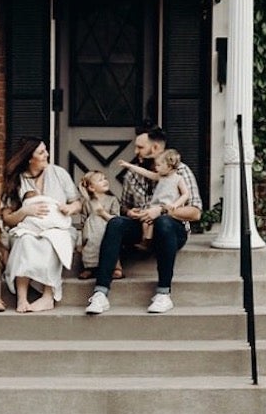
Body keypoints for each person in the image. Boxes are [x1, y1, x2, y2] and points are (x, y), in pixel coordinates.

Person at [86, 126, 201, 316]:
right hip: (142, 227)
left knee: (163, 222)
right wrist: (131, 213)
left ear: (155, 149)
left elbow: (195, 212)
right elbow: (124, 207)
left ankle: (163, 294)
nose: (135, 151)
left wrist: (162, 210)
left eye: (140, 147)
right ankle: (100, 293)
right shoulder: (133, 174)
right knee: (116, 223)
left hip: (171, 230)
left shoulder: (180, 172)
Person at [0, 137, 82, 313]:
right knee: (24, 240)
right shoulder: (16, 181)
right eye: (41, 152)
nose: (47, 154)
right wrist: (24, 212)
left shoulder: (59, 173)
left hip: (58, 227)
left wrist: (69, 208)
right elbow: (7, 219)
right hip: (28, 227)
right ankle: (22, 299)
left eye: (46, 150)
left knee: (51, 240)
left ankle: (48, 296)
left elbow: (77, 203)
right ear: (30, 158)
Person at [119, 148, 189, 250]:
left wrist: (176, 204)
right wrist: (129, 166)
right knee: (145, 220)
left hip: (167, 208)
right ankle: (146, 240)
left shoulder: (178, 179)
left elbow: (185, 194)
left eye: (159, 165)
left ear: (169, 166)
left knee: (154, 222)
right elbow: (144, 172)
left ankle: (147, 241)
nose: (156, 167)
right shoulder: (160, 177)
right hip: (155, 206)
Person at [77, 170, 123, 280]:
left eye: (105, 178)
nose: (105, 181)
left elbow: (117, 219)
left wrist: (103, 213)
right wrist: (80, 240)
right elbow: (83, 221)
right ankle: (90, 268)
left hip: (108, 228)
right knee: (90, 247)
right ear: (91, 188)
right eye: (100, 180)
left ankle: (116, 267)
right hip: (91, 232)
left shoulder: (112, 200)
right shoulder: (87, 202)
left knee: (110, 244)